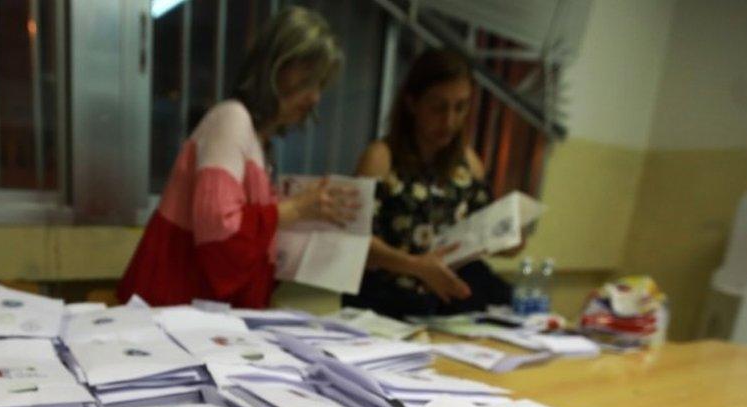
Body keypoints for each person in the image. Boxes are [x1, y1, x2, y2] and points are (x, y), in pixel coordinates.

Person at [118, 7, 358, 308]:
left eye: (320, 85)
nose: (315, 98)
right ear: (275, 67)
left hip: (194, 319)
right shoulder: (231, 119)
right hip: (172, 315)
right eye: (309, 79)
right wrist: (296, 209)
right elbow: (221, 234)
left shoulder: (258, 143)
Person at [344, 48, 517, 319]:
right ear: (413, 103)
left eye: (460, 107)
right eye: (438, 107)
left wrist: (509, 237)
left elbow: (486, 231)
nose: (449, 121)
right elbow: (355, 241)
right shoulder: (381, 158)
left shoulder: (467, 163)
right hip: (382, 307)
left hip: (444, 310)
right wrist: (415, 265)